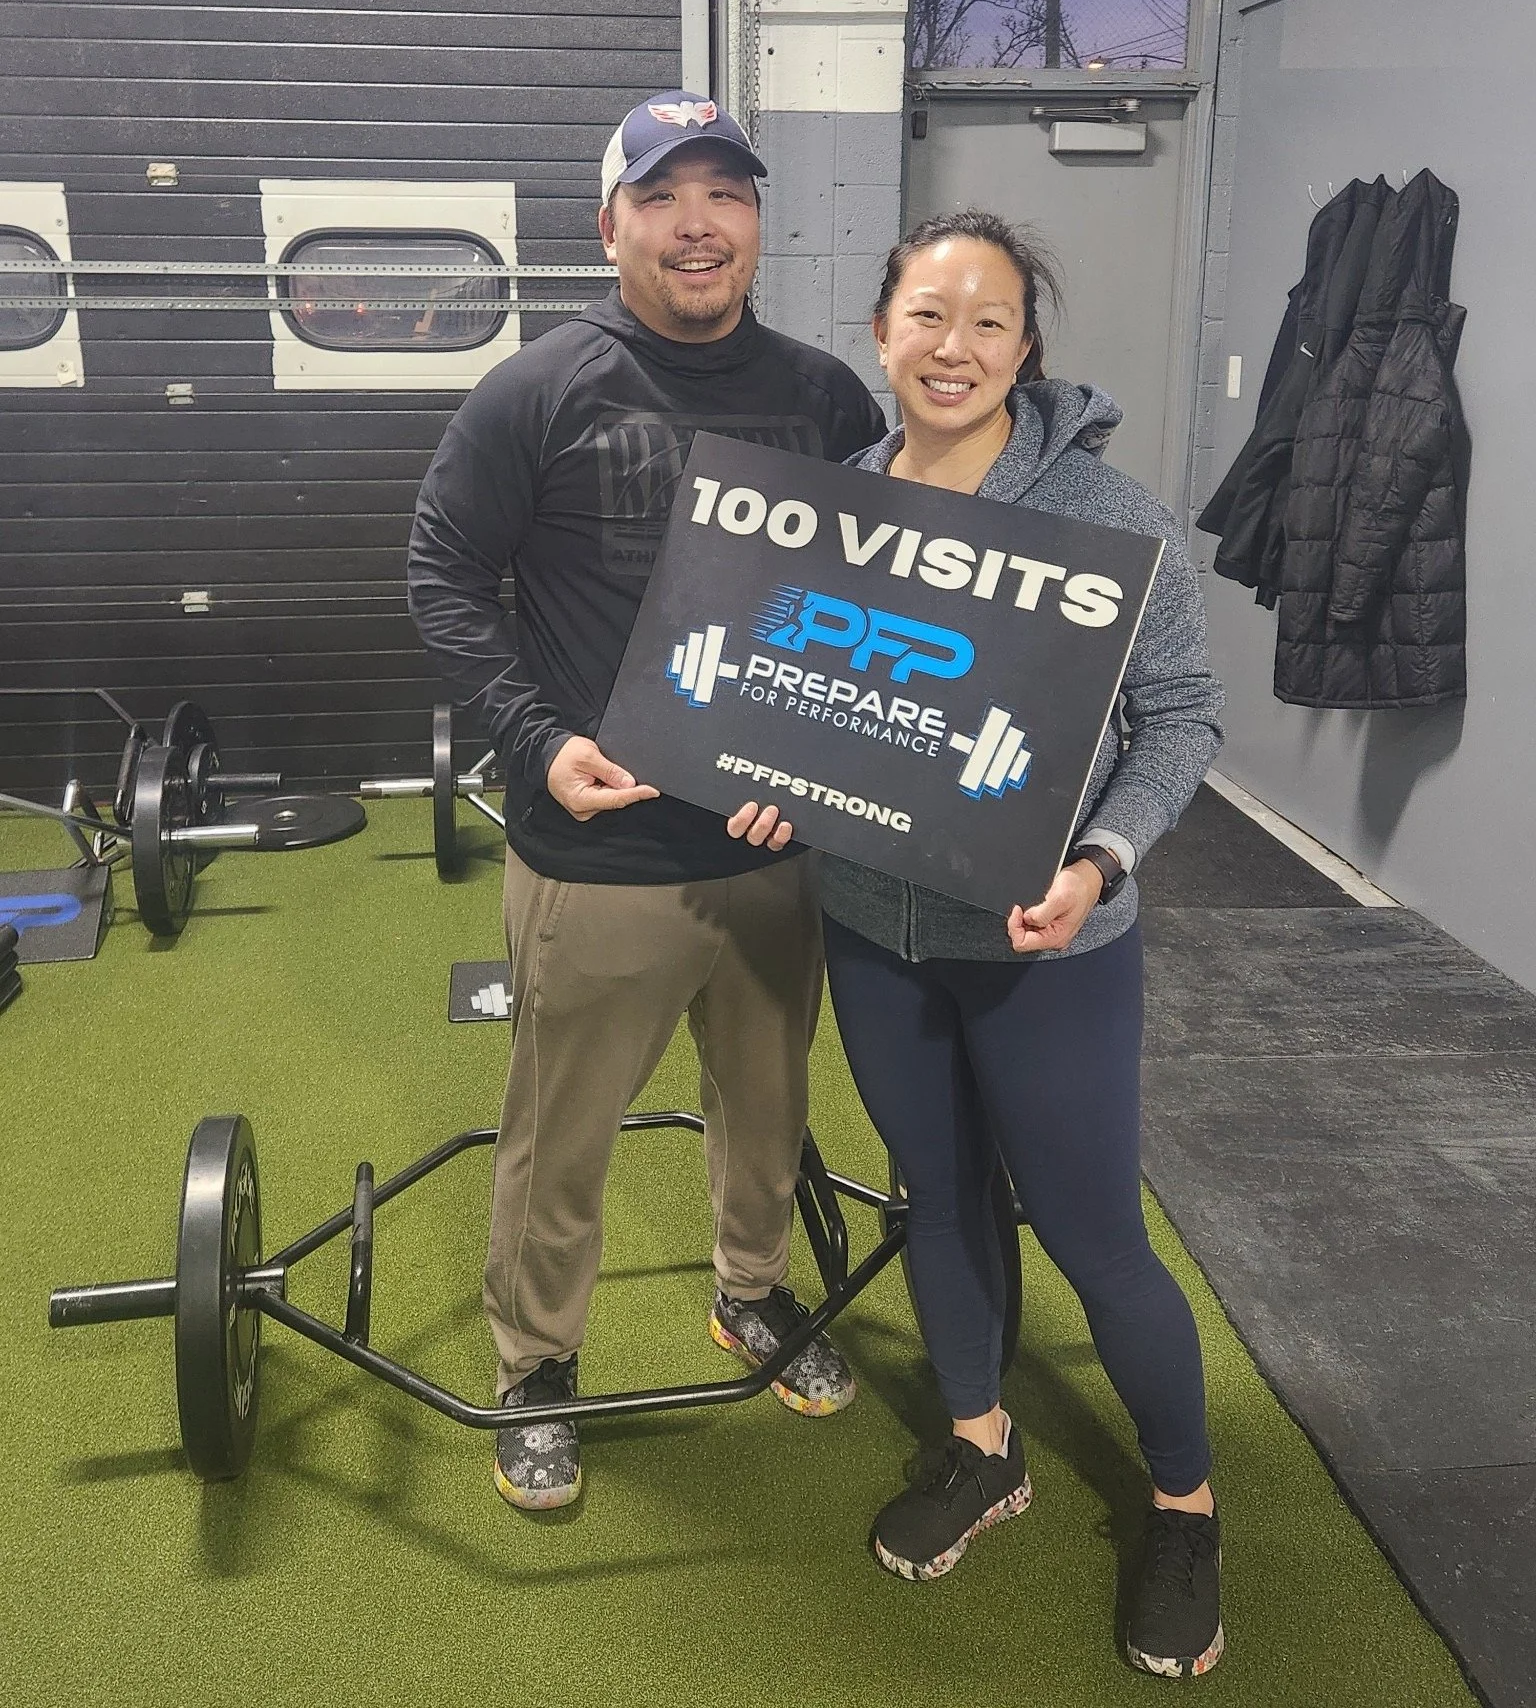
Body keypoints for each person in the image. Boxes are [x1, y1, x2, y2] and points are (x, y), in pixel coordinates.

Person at [406, 92, 886, 1510]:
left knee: (767, 1104)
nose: (697, 224)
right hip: (599, 850)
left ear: (755, 223)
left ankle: (751, 1293)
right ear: (609, 224)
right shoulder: (536, 388)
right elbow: (441, 578)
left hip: (772, 847)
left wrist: (837, 771)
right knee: (563, 1130)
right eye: (663, 196)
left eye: (725, 194)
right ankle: (535, 1365)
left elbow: (888, 598)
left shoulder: (825, 399)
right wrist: (541, 740)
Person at [814, 210, 1225, 1676]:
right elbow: (818, 706)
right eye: (929, 316)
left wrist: (1104, 854)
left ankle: (1184, 1504)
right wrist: (776, 790)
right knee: (940, 1196)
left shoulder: (1108, 517)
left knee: (1100, 1237)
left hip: (1050, 944)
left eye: (989, 323)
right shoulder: (838, 502)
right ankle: (983, 1446)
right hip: (872, 926)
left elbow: (1181, 718)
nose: (955, 347)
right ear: (881, 331)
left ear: (1026, 350)